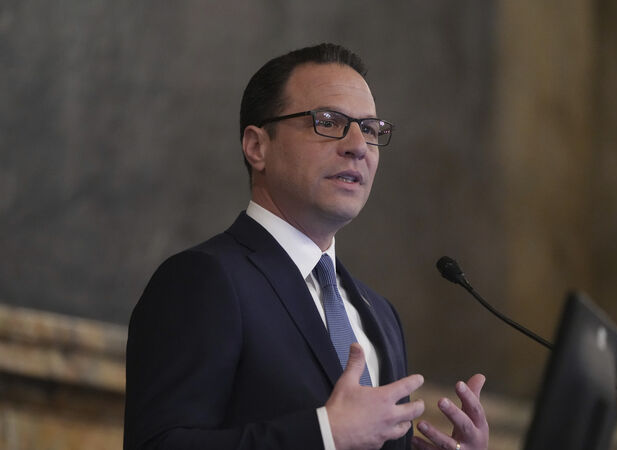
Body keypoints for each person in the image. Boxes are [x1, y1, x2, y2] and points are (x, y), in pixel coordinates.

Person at [123, 43, 489, 450]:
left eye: (370, 129)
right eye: (329, 122)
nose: (358, 145)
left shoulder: (381, 315)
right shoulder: (203, 280)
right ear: (257, 146)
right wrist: (325, 434)